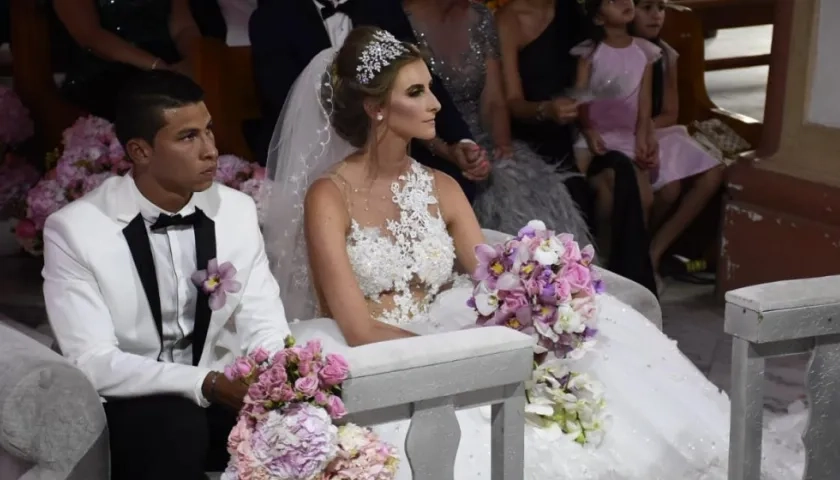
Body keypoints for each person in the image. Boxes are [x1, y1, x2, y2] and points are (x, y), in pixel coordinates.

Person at [261, 26, 803, 478]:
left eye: (432, 88)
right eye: (417, 93)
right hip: (383, 350)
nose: (435, 104)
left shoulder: (443, 187)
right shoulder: (329, 197)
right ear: (377, 109)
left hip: (453, 320)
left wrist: (534, 304)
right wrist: (471, 354)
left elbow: (491, 277)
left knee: (602, 362)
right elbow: (356, 327)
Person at [41, 70, 292, 480]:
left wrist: (279, 375)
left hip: (217, 391)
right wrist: (205, 382)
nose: (211, 150)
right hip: (128, 402)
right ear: (140, 151)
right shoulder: (76, 230)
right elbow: (92, 360)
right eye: (188, 137)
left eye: (209, 131)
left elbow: (261, 317)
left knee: (297, 425)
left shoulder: (236, 211)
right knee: (175, 426)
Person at [248, 0, 489, 201]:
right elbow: (285, 101)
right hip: (311, 149)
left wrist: (457, 140)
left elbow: (418, 75)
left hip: (389, 137)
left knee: (452, 182)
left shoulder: (380, 5)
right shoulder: (271, 17)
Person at [497, 0, 658, 294]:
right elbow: (510, 102)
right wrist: (546, 110)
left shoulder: (575, 11)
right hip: (534, 142)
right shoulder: (509, 18)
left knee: (621, 172)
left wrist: (644, 128)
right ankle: (580, 287)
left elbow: (619, 51)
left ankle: (623, 287)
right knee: (573, 195)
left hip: (581, 135)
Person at [402, 0, 590, 242]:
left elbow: (493, 102)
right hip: (428, 145)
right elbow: (406, 109)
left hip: (482, 142)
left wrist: (502, 148)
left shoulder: (480, 17)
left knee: (529, 192)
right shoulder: (401, 20)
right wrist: (452, 151)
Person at [630, 0, 725, 278]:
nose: (656, 16)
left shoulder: (666, 55)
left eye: (660, 8)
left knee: (713, 173)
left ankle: (656, 249)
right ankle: (636, 246)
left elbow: (671, 113)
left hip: (659, 130)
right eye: (646, 8)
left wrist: (648, 127)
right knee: (669, 191)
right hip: (624, 134)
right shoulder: (616, 52)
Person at [50, 0, 203, 121]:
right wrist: (158, 67)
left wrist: (195, 59)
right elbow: (89, 35)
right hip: (106, 74)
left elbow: (183, 26)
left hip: (169, 67)